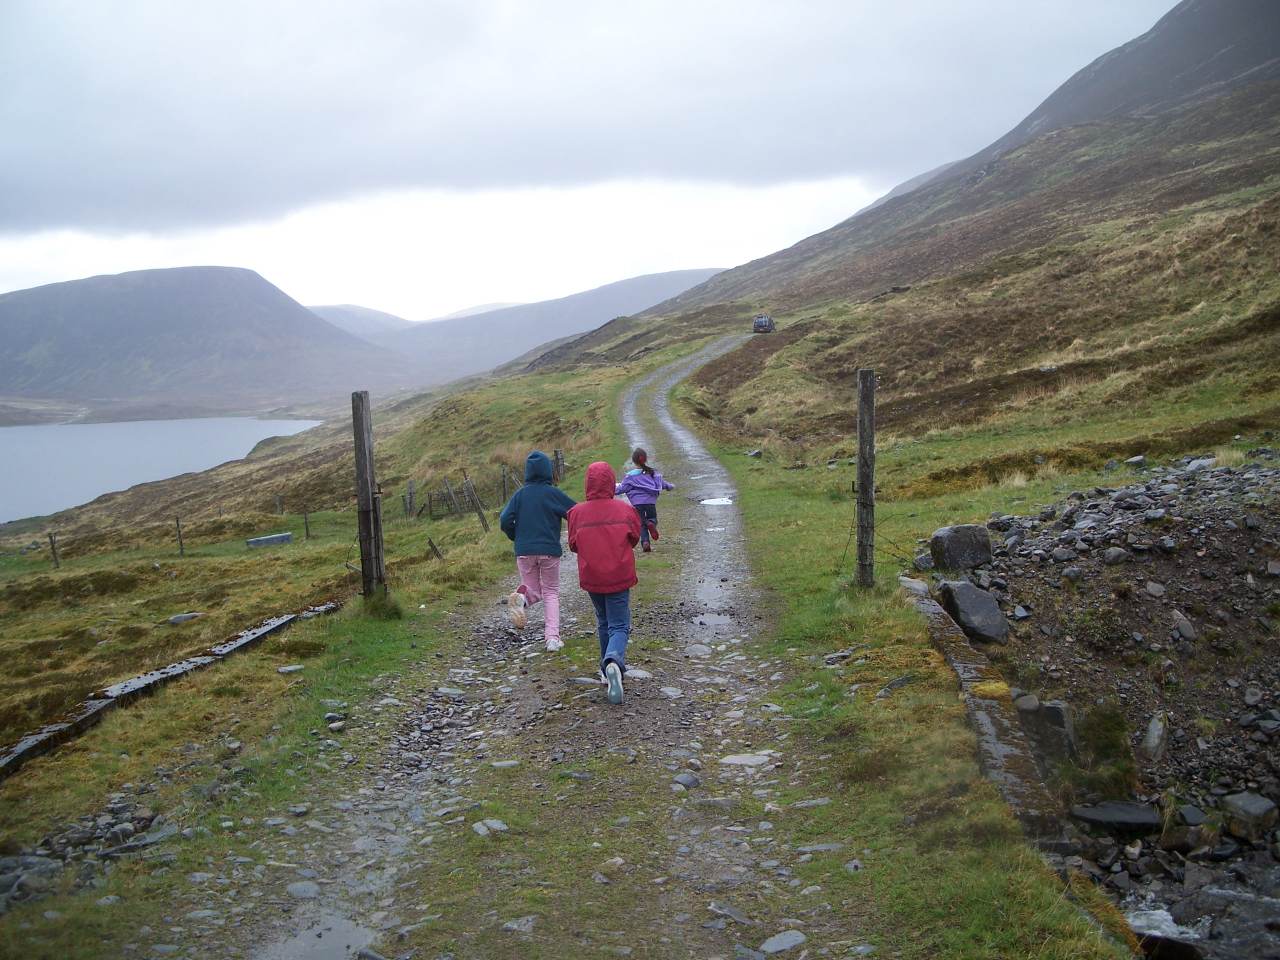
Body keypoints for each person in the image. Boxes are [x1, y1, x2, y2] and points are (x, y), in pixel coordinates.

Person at [568, 461, 641, 704]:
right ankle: (613, 661)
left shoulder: (576, 513)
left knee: (603, 620)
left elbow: (573, 544)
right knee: (619, 624)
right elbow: (634, 537)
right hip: (618, 574)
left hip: (592, 576)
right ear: (611, 482)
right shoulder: (624, 510)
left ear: (587, 484)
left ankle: (604, 669)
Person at [498, 450, 576, 651]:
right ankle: (552, 638)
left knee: (532, 589)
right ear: (547, 470)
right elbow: (575, 513)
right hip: (549, 550)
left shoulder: (519, 495)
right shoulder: (553, 493)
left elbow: (505, 520)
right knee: (550, 592)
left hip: (524, 551)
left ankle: (521, 599)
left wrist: (515, 536)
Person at [614, 447, 674, 552]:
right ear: (646, 459)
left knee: (641, 524)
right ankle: (651, 524)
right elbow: (661, 483)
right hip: (650, 503)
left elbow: (622, 488)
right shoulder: (653, 473)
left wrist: (610, 489)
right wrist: (670, 486)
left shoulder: (630, 476)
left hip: (637, 505)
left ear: (633, 461)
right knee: (653, 518)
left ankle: (645, 542)